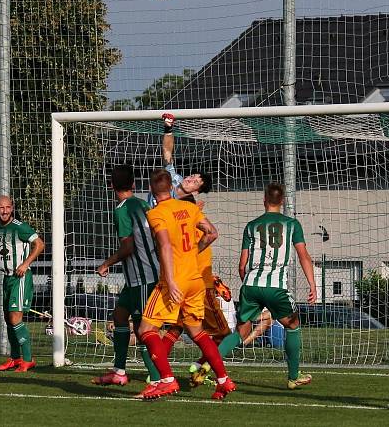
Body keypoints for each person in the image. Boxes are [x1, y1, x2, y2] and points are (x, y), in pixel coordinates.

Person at [134, 169, 235, 400]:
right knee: (198, 332)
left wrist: (170, 279)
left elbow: (166, 246)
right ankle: (223, 380)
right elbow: (212, 233)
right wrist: (193, 253)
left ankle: (167, 381)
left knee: (145, 329)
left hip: (174, 280)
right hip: (195, 279)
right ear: (170, 186)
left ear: (151, 189)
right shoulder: (190, 208)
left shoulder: (156, 213)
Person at [215, 182, 317, 390]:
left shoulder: (251, 226)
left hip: (251, 284)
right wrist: (313, 285)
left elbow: (242, 265)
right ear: (282, 201)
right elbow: (304, 256)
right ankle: (293, 376)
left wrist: (250, 287)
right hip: (276, 287)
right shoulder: (292, 224)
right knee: (293, 325)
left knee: (241, 332)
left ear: (264, 201)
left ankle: (208, 365)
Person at [91, 164, 162, 386]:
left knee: (144, 330)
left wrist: (106, 264)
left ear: (111, 185)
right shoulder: (143, 204)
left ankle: (158, 377)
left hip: (144, 278)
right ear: (133, 184)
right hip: (136, 279)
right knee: (120, 316)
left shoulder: (121, 209)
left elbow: (128, 247)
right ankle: (119, 371)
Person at [0, 195, 45, 372]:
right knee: (9, 319)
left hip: (20, 278)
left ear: (12, 208)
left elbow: (39, 244)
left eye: (8, 207)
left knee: (16, 318)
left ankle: (28, 359)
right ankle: (15, 359)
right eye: (1, 208)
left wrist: (25, 263)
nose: (5, 211)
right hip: (6, 278)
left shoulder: (20, 227)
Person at [146, 113, 212, 209]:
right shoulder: (174, 179)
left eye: (195, 182)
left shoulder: (189, 206)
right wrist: (168, 129)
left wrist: (195, 211)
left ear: (195, 192)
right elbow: (167, 153)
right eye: (192, 176)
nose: (189, 180)